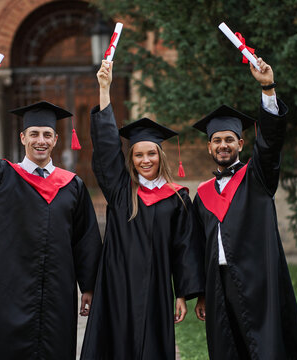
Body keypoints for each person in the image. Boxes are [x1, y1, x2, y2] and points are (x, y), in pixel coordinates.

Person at [0, 86, 102, 360]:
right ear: (22, 137)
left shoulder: (72, 186)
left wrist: (89, 285)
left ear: (56, 139)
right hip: (5, 290)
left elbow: (85, 239)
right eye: (34, 134)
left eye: (47, 134)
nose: (41, 140)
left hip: (54, 293)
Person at [80, 60, 204, 360]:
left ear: (160, 156)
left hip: (156, 290)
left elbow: (184, 249)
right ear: (131, 159)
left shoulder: (178, 199)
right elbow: (108, 148)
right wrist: (105, 89)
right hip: (116, 287)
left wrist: (182, 294)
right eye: (138, 155)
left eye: (151, 153)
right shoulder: (122, 192)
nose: (145, 160)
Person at [192, 57, 297, 359]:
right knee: (227, 347)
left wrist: (267, 88)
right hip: (218, 283)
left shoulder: (256, 177)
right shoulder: (201, 195)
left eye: (229, 140)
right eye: (216, 140)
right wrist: (200, 292)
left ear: (241, 143)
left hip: (257, 277)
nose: (222, 145)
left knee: (262, 347)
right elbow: (195, 247)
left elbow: (269, 144)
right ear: (209, 146)